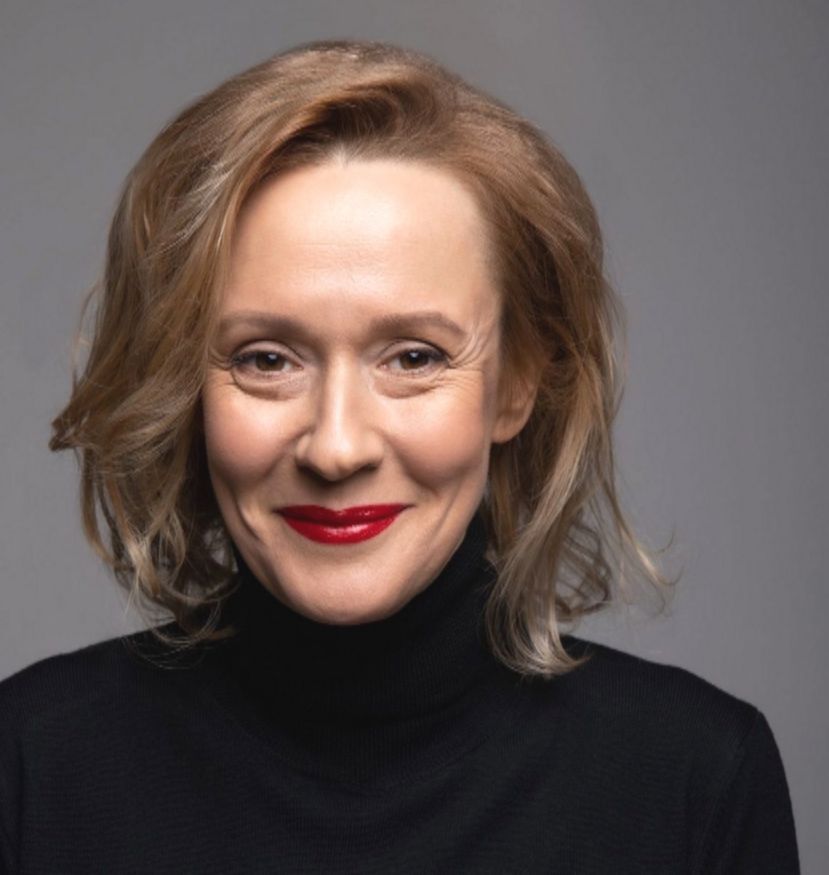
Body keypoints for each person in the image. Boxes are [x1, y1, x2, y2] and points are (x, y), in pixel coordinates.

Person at [0, 39, 798, 874]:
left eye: (414, 357)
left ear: (517, 383)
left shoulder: (693, 781)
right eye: (266, 359)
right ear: (182, 386)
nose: (336, 446)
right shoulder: (33, 764)